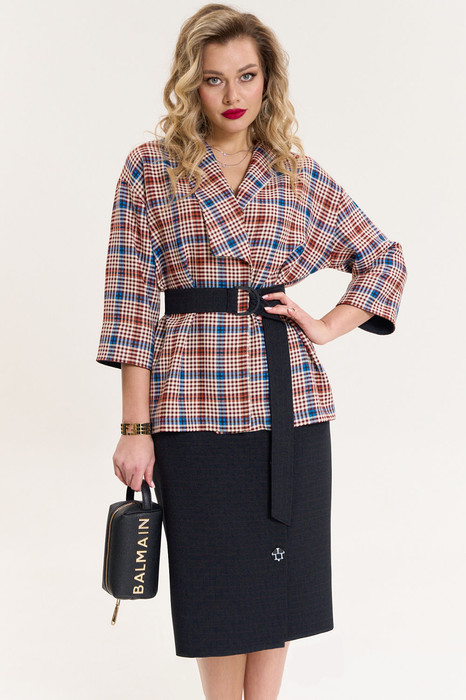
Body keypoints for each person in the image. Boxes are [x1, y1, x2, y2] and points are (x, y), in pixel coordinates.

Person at [96, 4, 407, 699]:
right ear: (191, 84)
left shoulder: (297, 174)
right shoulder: (150, 169)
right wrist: (134, 427)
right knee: (216, 588)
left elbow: (384, 258)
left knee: (277, 581)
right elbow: (130, 303)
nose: (232, 95)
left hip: (286, 401)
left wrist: (327, 325)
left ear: (269, 81)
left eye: (247, 76)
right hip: (191, 406)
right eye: (214, 79)